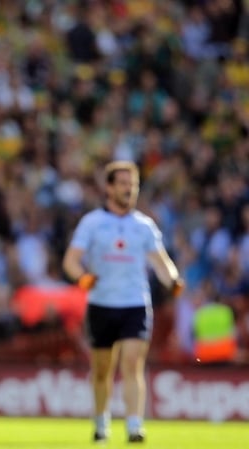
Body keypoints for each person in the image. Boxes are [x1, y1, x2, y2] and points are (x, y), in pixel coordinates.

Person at [62, 161, 184, 443]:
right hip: (102, 304)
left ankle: (134, 425)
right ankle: (101, 421)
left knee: (132, 363)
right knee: (103, 369)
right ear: (109, 187)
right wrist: (82, 278)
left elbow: (161, 263)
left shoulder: (144, 226)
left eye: (133, 185)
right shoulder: (92, 223)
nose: (129, 189)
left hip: (134, 304)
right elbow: (71, 261)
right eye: (123, 184)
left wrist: (173, 281)